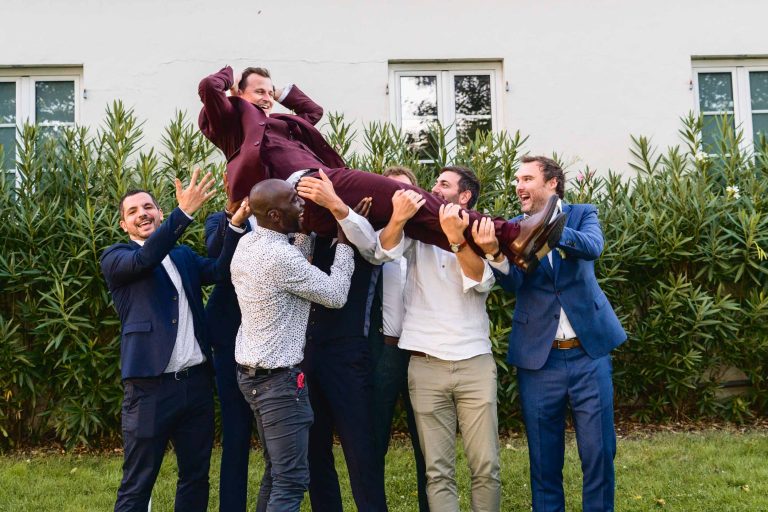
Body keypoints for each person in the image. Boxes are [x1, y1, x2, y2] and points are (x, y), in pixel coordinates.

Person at [197, 65, 562, 269]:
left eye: (268, 92)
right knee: (411, 196)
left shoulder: (282, 122)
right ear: (239, 97)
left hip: (322, 192)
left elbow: (313, 113)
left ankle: (508, 249)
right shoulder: (233, 129)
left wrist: (279, 93)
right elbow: (207, 89)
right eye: (257, 92)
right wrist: (229, 80)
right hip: (306, 189)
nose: (265, 98)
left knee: (417, 221)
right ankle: (513, 233)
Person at [329, 166, 519, 511]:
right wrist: (399, 218)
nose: (434, 188)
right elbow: (380, 252)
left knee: (486, 466)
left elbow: (480, 281)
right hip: (425, 365)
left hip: (474, 362)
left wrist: (457, 239)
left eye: (443, 184)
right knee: (437, 470)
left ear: (464, 197)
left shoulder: (479, 232)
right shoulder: (416, 232)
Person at [476, 155, 627, 512]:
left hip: (589, 354)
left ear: (552, 183)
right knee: (543, 459)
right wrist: (495, 254)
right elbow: (513, 283)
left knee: (599, 453)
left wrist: (546, 226)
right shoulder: (512, 226)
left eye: (527, 178)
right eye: (517, 180)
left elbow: (592, 247)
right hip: (538, 361)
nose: (519, 186)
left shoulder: (583, 214)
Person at [100, 169, 249, 512]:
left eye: (148, 207)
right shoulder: (117, 258)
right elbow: (145, 258)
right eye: (133, 211)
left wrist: (236, 225)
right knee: (138, 483)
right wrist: (185, 214)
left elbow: (219, 272)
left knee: (196, 477)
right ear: (124, 225)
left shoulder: (181, 256)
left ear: (159, 213)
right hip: (149, 388)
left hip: (195, 384)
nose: (142, 214)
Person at [230, 178, 355, 512]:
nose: (302, 205)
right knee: (292, 480)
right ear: (274, 215)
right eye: (294, 202)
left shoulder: (249, 244)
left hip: (253, 376)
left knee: (276, 473)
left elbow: (292, 259)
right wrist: (345, 240)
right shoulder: (279, 258)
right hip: (278, 384)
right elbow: (335, 294)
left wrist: (307, 229)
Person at [203, 208, 259, 512]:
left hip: (274, 340)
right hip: (228, 340)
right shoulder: (218, 219)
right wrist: (234, 217)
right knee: (236, 434)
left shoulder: (284, 213)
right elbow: (216, 255)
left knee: (279, 441)